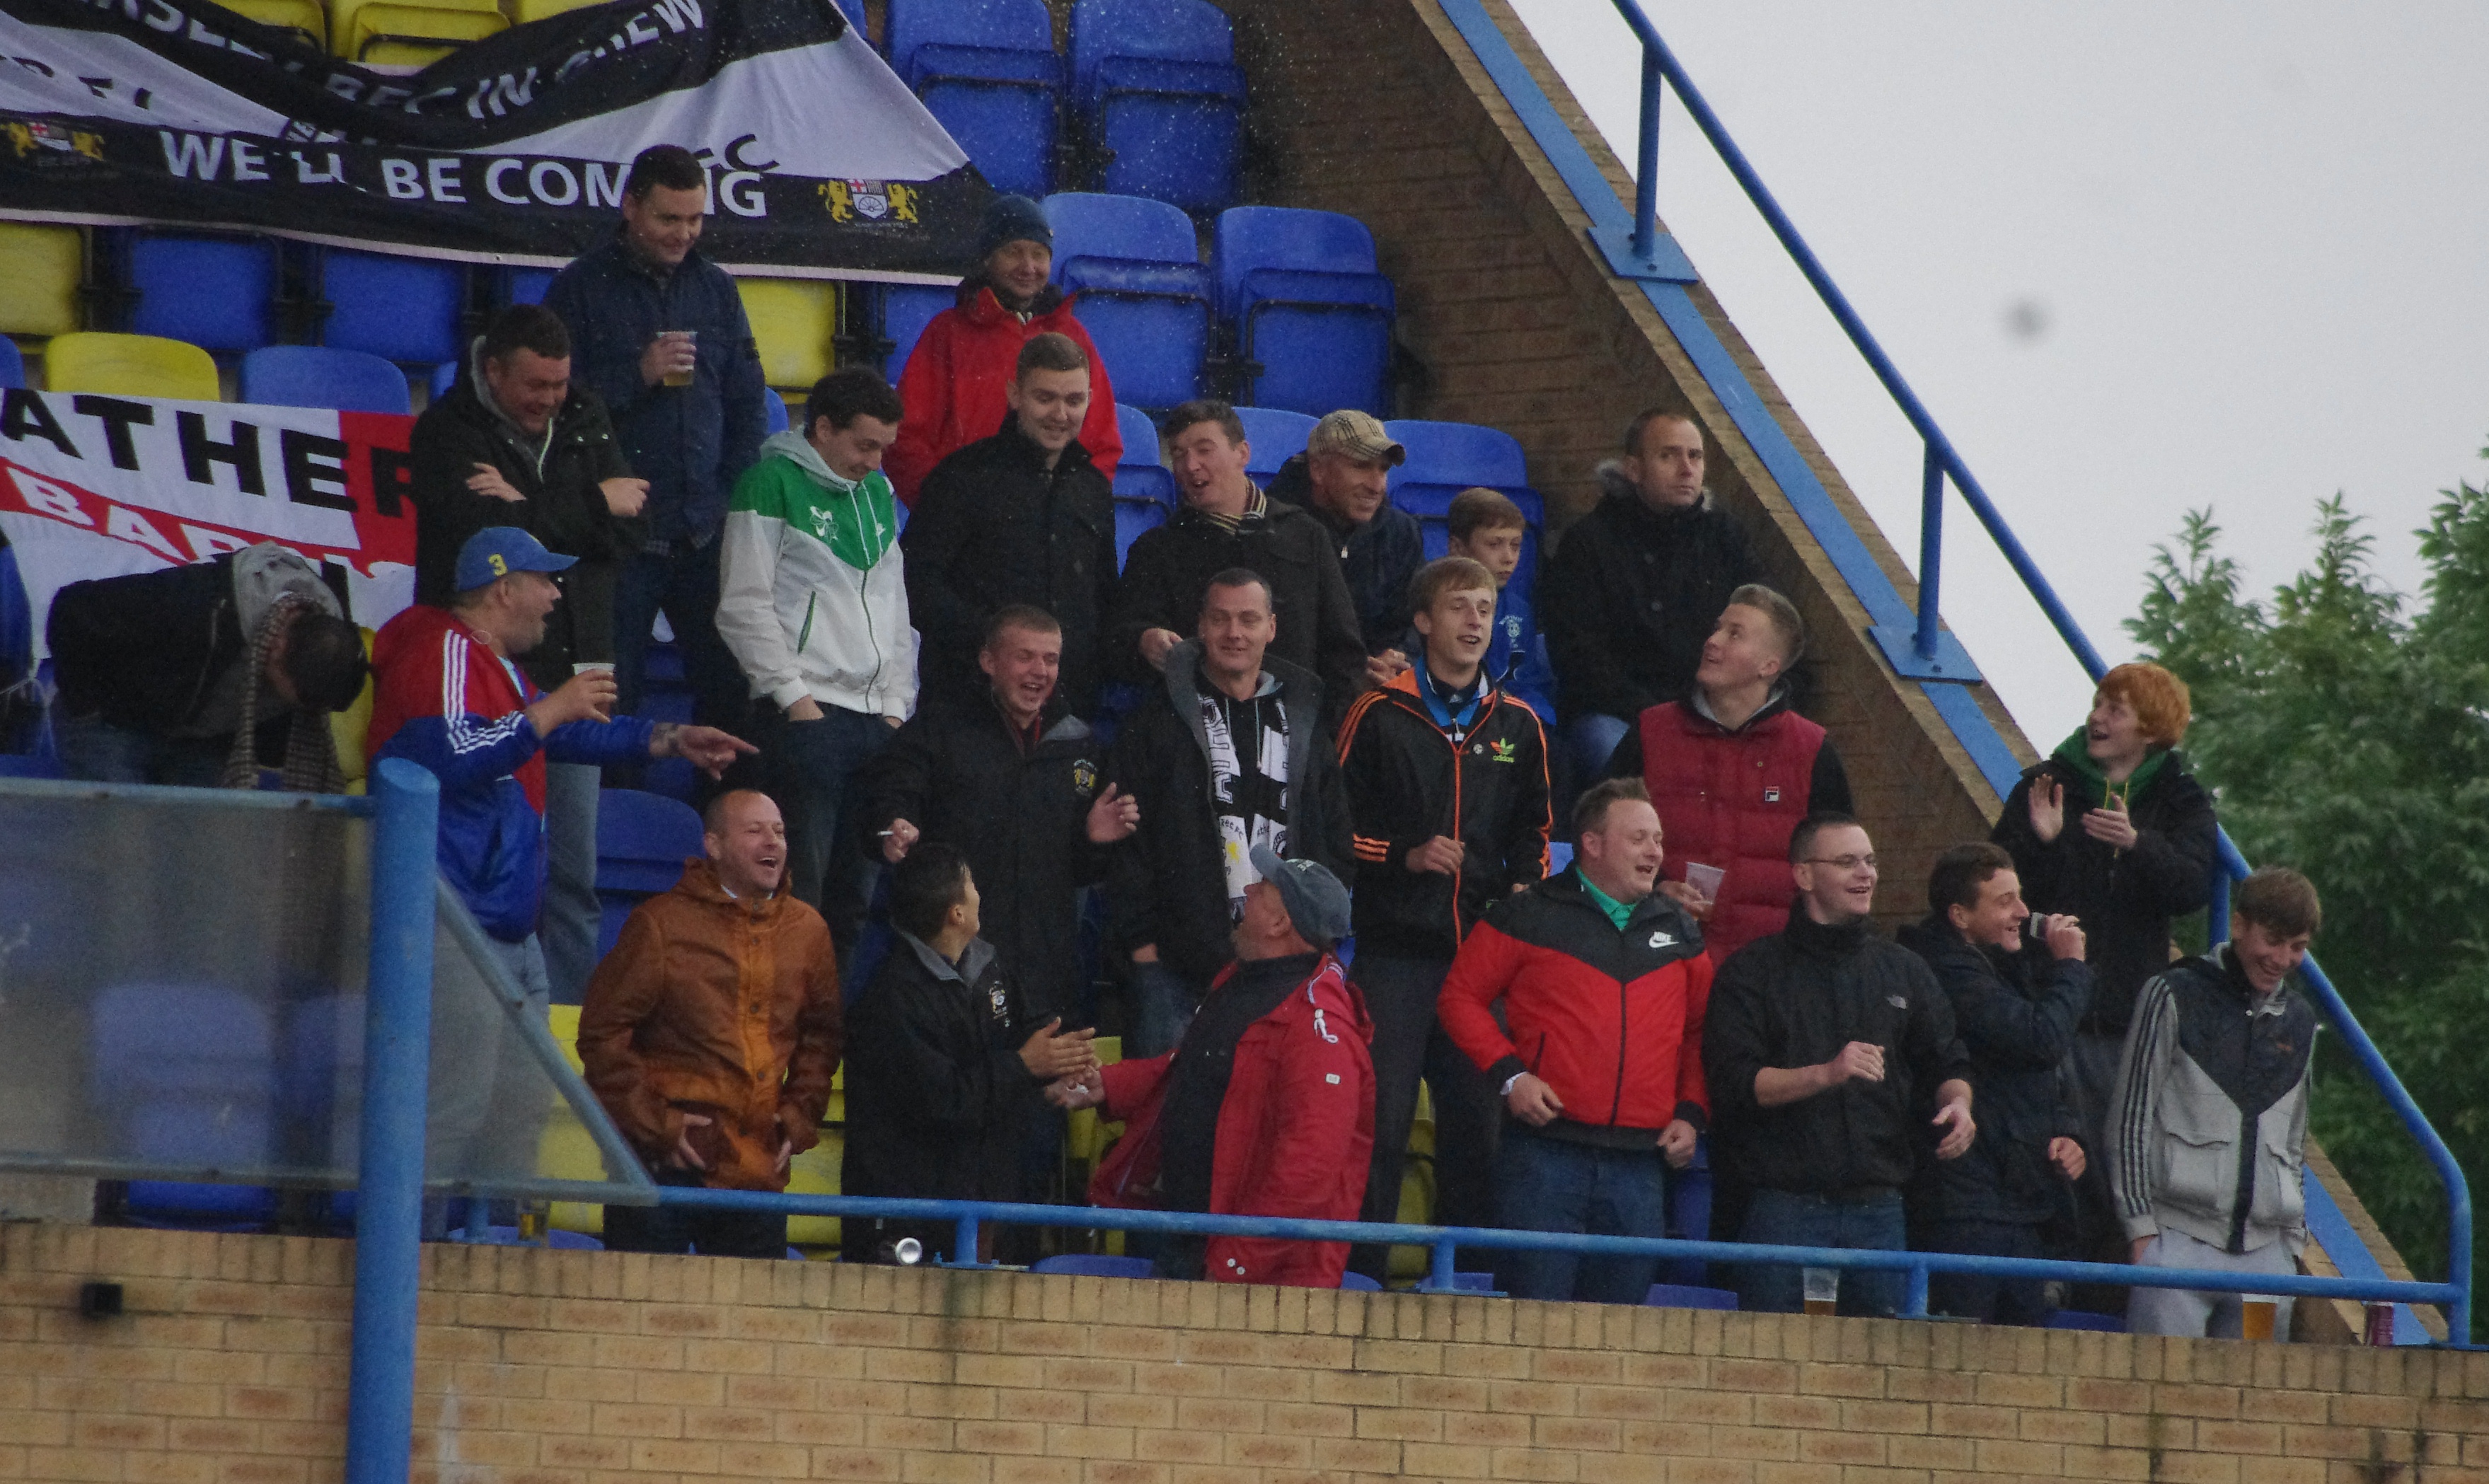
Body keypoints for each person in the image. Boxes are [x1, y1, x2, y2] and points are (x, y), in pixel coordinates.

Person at [366, 528, 751, 1222]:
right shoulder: (444, 648)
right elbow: (452, 750)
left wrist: (664, 739)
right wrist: (551, 709)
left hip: (511, 928)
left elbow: (558, 731)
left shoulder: (499, 668)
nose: (555, 594)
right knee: (451, 1109)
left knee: (518, 1110)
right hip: (452, 922)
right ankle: (412, 1274)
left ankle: (505, 1270)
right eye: (544, 580)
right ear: (502, 587)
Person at [410, 301, 649, 1002]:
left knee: (572, 874)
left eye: (559, 385)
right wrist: (588, 502)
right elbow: (481, 544)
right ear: (491, 370)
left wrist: (531, 504)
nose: (551, 400)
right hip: (487, 671)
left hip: (582, 669)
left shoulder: (585, 413)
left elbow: (634, 532)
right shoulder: (447, 432)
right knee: (483, 864)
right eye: (535, 386)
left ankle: (564, 1027)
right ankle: (473, 1009)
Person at [1335, 556, 1551, 1280]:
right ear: (1423, 621)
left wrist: (1522, 894)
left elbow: (1535, 833)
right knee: (1381, 1125)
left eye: (1485, 610)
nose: (1473, 623)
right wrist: (1403, 853)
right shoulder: (1376, 713)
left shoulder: (1517, 724)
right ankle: (1358, 1275)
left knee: (1477, 1131)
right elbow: (1332, 831)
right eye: (1459, 608)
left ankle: (1468, 1284)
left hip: (1479, 963)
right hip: (1395, 954)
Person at [1436, 778, 1709, 1304]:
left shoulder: (1680, 929)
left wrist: (1692, 1111)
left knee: (1620, 1336)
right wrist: (1510, 1075)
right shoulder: (1527, 913)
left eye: (1658, 840)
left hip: (1641, 1165)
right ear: (1592, 843)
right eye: (1638, 839)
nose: (1655, 852)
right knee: (1532, 1327)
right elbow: (1458, 998)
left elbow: (1699, 1031)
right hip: (1543, 1156)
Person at [1702, 813, 1977, 1318]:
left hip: (1880, 1208)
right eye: (1847, 861)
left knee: (1878, 1373)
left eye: (1870, 861)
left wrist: (1958, 1104)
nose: (1865, 874)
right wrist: (1826, 1073)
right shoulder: (1753, 972)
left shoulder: (1904, 969)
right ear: (1803, 875)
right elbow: (1736, 1084)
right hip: (1781, 1207)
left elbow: (1947, 1060)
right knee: (1769, 1363)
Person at [1059, 847, 1373, 1287]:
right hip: (1193, 1243)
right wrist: (1108, 1084)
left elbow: (1307, 1170)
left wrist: (1235, 1263)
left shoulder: (1320, 1027)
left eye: (1262, 889)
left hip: (1259, 1281)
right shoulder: (1241, 981)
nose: (1246, 889)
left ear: (1280, 923)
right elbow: (1202, 1068)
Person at [1991, 661, 2217, 1270]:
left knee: (2123, 1166)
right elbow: (1997, 889)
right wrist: (2042, 841)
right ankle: (2050, 1281)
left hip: (2126, 1018)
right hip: (2052, 1006)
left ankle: (2105, 1291)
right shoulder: (2046, 784)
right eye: (2099, 703)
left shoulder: (2178, 797)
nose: (2098, 718)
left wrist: (2137, 844)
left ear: (2151, 727)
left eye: (2116, 710)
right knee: (2051, 1156)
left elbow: (2194, 884)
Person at [541, 143, 769, 735]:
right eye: (670, 219)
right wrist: (636, 376)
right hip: (619, 546)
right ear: (630, 207)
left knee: (733, 700)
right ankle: (618, 828)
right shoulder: (579, 288)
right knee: (615, 707)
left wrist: (729, 494)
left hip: (704, 537)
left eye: (696, 219)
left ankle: (725, 826)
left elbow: (748, 402)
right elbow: (550, 407)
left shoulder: (717, 288)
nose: (684, 233)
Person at [576, 789, 843, 1259]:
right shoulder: (660, 925)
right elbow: (602, 1035)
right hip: (661, 1170)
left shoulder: (808, 931)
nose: (774, 843)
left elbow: (822, 1036)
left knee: (752, 1325)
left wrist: (799, 1116)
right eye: (755, 830)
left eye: (779, 832)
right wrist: (657, 1125)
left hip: (756, 1171)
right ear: (714, 845)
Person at [1104, 569, 1351, 1057]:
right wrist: (1144, 948)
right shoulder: (1154, 722)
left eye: (1248, 619)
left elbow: (1334, 834)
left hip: (1285, 967)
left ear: (1272, 628)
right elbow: (1127, 840)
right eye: (1220, 619)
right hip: (1174, 971)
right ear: (1200, 626)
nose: (1234, 633)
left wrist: (1318, 936)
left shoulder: (1304, 720)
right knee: (1169, 1116)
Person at [863, 605, 1140, 1029]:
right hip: (954, 961)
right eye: (1025, 656)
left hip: (1046, 970)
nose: (1040, 671)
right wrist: (894, 825)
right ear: (988, 661)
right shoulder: (939, 728)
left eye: (1050, 659)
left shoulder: (1080, 743)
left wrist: (1094, 840)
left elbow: (1084, 871)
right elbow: (892, 796)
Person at [714, 367, 916, 949]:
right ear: (823, 428)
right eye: (864, 445)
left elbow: (894, 605)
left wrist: (896, 708)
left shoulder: (876, 493)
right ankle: (776, 1036)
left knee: (852, 906)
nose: (876, 462)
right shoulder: (768, 483)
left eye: (884, 447)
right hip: (807, 717)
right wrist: (795, 701)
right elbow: (742, 605)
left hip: (875, 721)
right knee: (798, 899)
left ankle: (823, 1039)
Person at [842, 843, 1100, 1265]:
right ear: (956, 913)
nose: (979, 894)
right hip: (911, 1217)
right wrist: (1025, 1065)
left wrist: (1057, 1068)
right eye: (971, 885)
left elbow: (1027, 1032)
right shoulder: (893, 999)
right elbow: (944, 1100)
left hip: (985, 1200)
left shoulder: (990, 966)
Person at [2108, 866, 2321, 1340]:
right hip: (2177, 1244)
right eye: (2274, 940)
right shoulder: (2172, 993)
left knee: (2252, 1397)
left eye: (2299, 947)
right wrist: (2142, 1230)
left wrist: (2291, 1244)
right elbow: (2130, 1118)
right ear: (2240, 925)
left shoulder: (2302, 1022)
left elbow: (2294, 1142)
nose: (2283, 958)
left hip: (2266, 1262)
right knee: (2161, 1393)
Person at [1895, 843, 2091, 1325]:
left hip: (2017, 1199)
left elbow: (2038, 1074)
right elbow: (2038, 1037)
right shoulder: (1943, 970)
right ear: (1959, 915)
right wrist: (2071, 969)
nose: (2022, 913)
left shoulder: (2001, 963)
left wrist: (2069, 1133)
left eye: (2021, 898)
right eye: (2005, 901)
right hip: (1965, 1203)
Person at [1605, 584, 1852, 962]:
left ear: (1769, 666)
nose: (1713, 641)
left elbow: (1841, 867)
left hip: (1773, 971)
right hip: (1656, 956)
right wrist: (1651, 893)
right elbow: (1597, 834)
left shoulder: (1813, 749)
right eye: (1717, 628)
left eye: (1734, 634)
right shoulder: (1651, 731)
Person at [1109, 400, 1367, 726]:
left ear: (1242, 453)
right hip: (1196, 738)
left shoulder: (1305, 534)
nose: (1190, 465)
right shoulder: (1157, 549)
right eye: (1178, 454)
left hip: (1294, 732)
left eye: (1204, 450)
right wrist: (1144, 641)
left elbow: (1343, 650)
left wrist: (1322, 738)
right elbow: (1119, 644)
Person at [900, 332, 1119, 717]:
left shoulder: (1094, 488)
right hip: (970, 702)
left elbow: (1102, 596)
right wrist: (997, 645)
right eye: (1045, 397)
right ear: (1015, 395)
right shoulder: (961, 477)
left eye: (1074, 400)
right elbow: (917, 586)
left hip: (1068, 707)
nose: (1060, 414)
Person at [1542, 407, 1762, 781]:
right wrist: (1662, 716)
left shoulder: (1724, 537)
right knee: (1617, 755)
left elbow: (1764, 626)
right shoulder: (1588, 543)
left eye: (1695, 456)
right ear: (1633, 469)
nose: (1686, 468)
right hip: (1618, 713)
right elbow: (1579, 657)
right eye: (1668, 455)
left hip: (1712, 711)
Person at [47, 543, 366, 789]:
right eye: (292, 697)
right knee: (119, 842)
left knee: (202, 846)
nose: (292, 707)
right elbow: (71, 610)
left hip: (199, 738)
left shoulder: (327, 640)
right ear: (277, 648)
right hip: (112, 719)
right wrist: (84, 705)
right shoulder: (198, 603)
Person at [885, 194, 1123, 504]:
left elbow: (1103, 444)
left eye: (1039, 254)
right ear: (987, 258)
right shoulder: (947, 333)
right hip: (966, 524)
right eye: (1013, 252)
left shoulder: (1073, 335)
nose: (1028, 266)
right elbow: (904, 438)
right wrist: (946, 510)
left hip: (1052, 526)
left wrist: (1070, 512)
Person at [1264, 410, 1424, 683]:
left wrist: (1399, 658)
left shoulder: (1402, 532)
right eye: (1361, 466)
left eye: (1383, 469)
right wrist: (1350, 669)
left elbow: (1420, 618)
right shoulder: (1271, 529)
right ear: (1318, 470)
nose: (1376, 485)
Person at [1438, 487, 1554, 722]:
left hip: (1510, 721)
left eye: (1515, 545)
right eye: (1494, 544)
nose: (1508, 557)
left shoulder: (1519, 610)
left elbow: (1526, 682)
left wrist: (1536, 718)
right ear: (1458, 548)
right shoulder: (1435, 604)